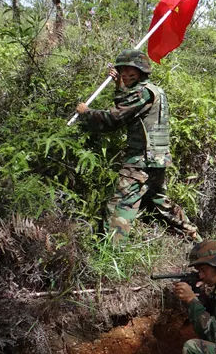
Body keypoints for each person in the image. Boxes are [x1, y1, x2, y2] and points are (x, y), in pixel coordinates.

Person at [76, 49, 200, 243]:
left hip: (141, 160)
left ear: (142, 71)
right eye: (122, 71)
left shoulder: (142, 92)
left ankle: (111, 252)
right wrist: (120, 87)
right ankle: (194, 235)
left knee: (120, 205)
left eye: (130, 71)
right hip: (157, 160)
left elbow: (115, 117)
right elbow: (128, 107)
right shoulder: (153, 90)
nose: (126, 74)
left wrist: (86, 112)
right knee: (161, 204)